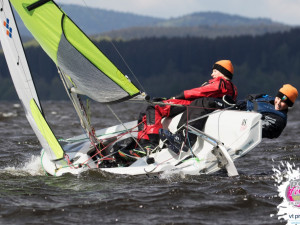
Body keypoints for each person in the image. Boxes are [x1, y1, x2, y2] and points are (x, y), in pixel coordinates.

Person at [118, 60, 238, 159]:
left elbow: (199, 92)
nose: (212, 74)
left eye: (215, 71)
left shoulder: (221, 82)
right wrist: (169, 99)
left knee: (153, 108)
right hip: (194, 104)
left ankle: (149, 145)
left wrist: (179, 96)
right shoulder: (229, 87)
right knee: (150, 109)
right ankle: (143, 145)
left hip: (191, 104)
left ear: (223, 72)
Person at [161, 84, 298, 154]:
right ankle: (181, 135)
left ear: (289, 105)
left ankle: (187, 140)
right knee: (199, 102)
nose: (279, 103)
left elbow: (261, 128)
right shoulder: (267, 98)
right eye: (279, 98)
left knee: (204, 103)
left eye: (283, 103)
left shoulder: (279, 119)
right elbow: (247, 100)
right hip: (234, 109)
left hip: (238, 125)